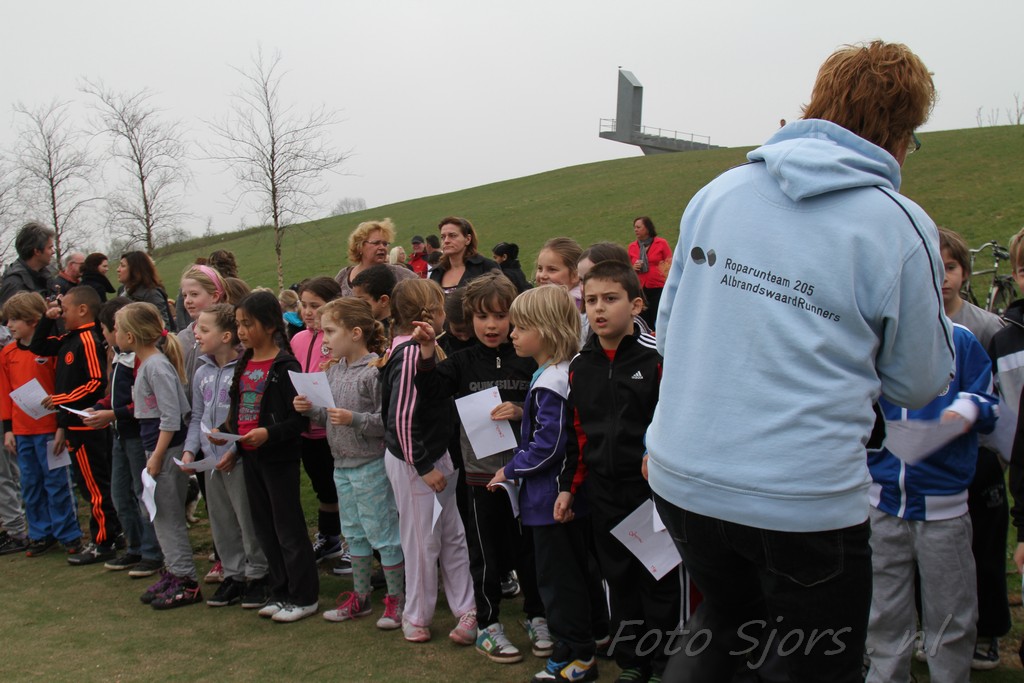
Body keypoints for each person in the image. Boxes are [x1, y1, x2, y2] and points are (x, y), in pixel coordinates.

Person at [646, 41, 954, 681]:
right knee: (812, 664)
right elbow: (921, 382)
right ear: (900, 134)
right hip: (801, 496)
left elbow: (670, 334)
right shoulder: (898, 224)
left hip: (685, 476)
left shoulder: (720, 192)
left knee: (724, 626)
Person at [413, 273, 547, 665]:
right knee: (485, 554)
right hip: (479, 477)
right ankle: (488, 624)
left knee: (529, 552)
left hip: (526, 475)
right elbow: (430, 391)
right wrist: (426, 352)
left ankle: (537, 616)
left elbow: (549, 408)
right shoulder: (461, 362)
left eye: (501, 316)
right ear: (470, 318)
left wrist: (520, 411)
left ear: (514, 317)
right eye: (483, 317)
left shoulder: (528, 359)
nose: (491, 325)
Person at [564, 261, 682, 681]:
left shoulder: (657, 359)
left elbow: (675, 420)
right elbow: (578, 432)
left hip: (651, 493)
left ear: (635, 305)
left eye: (610, 299)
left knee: (659, 580)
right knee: (619, 579)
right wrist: (571, 487)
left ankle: (664, 663)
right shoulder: (581, 366)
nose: (599, 308)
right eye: (591, 300)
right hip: (604, 493)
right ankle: (633, 663)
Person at [864, 323, 996, 682]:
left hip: (944, 512)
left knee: (951, 615)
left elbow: (988, 401)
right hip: (881, 505)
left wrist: (965, 410)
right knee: (883, 613)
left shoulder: (960, 340)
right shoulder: (876, 334)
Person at [486, 285, 596, 683]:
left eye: (521, 327)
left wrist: (510, 470)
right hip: (553, 499)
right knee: (565, 578)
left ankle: (577, 656)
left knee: (560, 583)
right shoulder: (554, 373)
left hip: (552, 503)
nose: (512, 333)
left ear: (546, 331)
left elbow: (548, 446)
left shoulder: (553, 379)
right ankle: (578, 647)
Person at [294, 298, 405, 629]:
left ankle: (396, 601)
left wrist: (353, 418)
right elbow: (329, 417)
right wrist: (311, 410)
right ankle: (361, 596)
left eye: (330, 331)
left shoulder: (374, 372)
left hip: (371, 466)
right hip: (341, 466)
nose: (324, 339)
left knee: (383, 534)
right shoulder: (333, 371)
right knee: (354, 534)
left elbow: (387, 422)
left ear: (355, 333)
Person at [381, 278, 476, 644]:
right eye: (440, 308)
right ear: (431, 313)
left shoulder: (417, 349)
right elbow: (401, 419)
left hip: (435, 455)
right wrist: (422, 466)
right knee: (422, 541)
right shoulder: (408, 355)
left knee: (452, 534)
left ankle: (466, 606)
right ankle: (416, 615)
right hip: (415, 462)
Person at [214, 291, 316, 623]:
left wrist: (268, 434)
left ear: (270, 325)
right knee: (265, 528)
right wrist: (225, 434)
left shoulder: (285, 366)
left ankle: (304, 596)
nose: (241, 331)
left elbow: (298, 421)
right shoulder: (244, 362)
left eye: (248, 324)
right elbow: (239, 412)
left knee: (288, 527)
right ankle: (281, 591)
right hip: (250, 457)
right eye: (238, 324)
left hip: (278, 458)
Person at [936, 227, 1011, 669]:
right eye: (934, 268)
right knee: (935, 555)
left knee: (984, 548)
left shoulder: (986, 327)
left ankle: (989, 630)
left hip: (980, 458)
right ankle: (935, 627)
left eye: (951, 267)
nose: (943, 277)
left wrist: (997, 453)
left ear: (965, 272)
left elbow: (1001, 399)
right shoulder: (912, 325)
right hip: (933, 462)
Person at [181, 304, 270, 610]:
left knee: (247, 520)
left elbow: (249, 417)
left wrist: (235, 450)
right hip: (210, 463)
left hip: (239, 460)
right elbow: (197, 417)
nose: (197, 333)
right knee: (221, 521)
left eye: (204, 329)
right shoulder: (201, 371)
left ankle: (259, 574)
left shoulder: (244, 370)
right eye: (197, 327)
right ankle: (233, 575)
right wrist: (190, 451)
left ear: (226, 336)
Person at [30, 285, 123, 565]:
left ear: (82, 310)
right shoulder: (69, 338)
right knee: (90, 485)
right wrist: (46, 318)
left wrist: (61, 399)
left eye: (65, 309)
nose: (62, 314)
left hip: (87, 425)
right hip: (74, 425)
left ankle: (103, 542)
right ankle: (111, 533)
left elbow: (96, 383)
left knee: (95, 486)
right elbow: (38, 346)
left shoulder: (87, 340)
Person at [116, 302, 199, 609]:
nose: (114, 333)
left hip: (166, 450)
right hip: (156, 448)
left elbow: (171, 417)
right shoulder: (147, 364)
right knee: (160, 516)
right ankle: (174, 571)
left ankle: (186, 581)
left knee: (168, 517)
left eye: (117, 328)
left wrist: (156, 456)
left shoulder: (156, 366)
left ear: (130, 335)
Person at [81, 297, 163, 578]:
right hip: (120, 435)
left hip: (137, 436)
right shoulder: (119, 356)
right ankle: (135, 546)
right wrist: (99, 407)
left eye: (108, 330)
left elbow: (142, 404)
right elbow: (116, 396)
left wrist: (112, 414)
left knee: (143, 494)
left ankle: (152, 552)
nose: (107, 335)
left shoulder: (142, 360)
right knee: (120, 494)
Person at [0, 292, 79, 557]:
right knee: (30, 484)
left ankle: (68, 533)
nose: (9, 325)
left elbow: (61, 387)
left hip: (49, 432)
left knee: (57, 483)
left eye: (14, 320)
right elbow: (5, 393)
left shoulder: (51, 351)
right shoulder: (7, 353)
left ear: (33, 321)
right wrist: (8, 430)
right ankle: (40, 533)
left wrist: (61, 427)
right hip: (22, 433)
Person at [290, 278, 347, 570]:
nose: (308, 312)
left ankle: (353, 544)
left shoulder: (337, 337)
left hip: (334, 427)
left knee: (344, 488)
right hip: (306, 429)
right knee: (323, 488)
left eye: (315, 305)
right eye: (304, 305)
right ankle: (329, 539)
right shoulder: (298, 339)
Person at [334, 218, 417, 297]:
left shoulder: (399, 274)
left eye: (385, 244)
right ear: (360, 246)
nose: (382, 247)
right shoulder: (343, 276)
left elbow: (422, 290)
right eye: (376, 243)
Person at [429, 216, 500, 294]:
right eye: (443, 237)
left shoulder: (487, 267)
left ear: (468, 239)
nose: (446, 241)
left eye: (452, 236)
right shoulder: (436, 272)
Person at [627, 217, 672, 331]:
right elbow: (627, 268)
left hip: (658, 287)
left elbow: (669, 262)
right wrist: (633, 267)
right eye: (634, 227)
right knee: (643, 317)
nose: (635, 230)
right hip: (641, 288)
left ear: (647, 228)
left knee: (659, 315)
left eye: (638, 227)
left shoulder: (661, 243)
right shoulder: (632, 247)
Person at [0, 221, 56, 310]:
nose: (53, 251)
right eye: (50, 247)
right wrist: (46, 310)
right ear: (37, 251)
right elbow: (11, 317)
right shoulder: (15, 284)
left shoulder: (45, 278)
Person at [116, 251, 176, 332]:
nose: (118, 269)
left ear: (135, 270)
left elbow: (163, 328)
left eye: (123, 266)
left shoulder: (152, 294)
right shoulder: (122, 291)